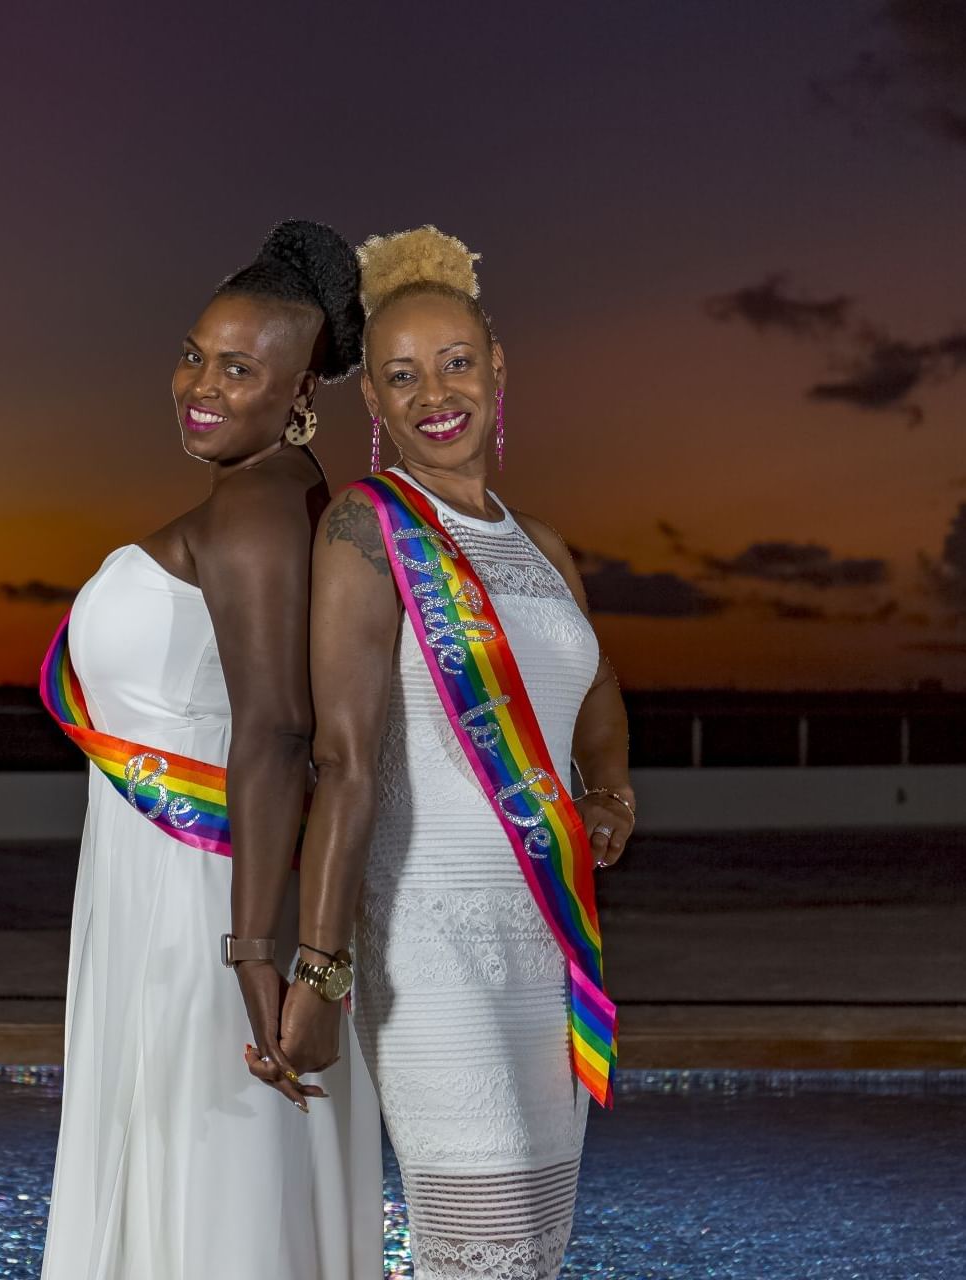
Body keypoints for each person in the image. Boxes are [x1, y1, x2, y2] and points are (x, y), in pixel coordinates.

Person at [278, 226, 635, 1280]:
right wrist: (319, 967)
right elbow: (340, 764)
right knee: (476, 1250)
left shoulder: (545, 545)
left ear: (498, 368)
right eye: (402, 374)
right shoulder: (365, 527)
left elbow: (599, 684)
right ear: (375, 406)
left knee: (536, 1246)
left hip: (546, 936)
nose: (436, 390)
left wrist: (610, 786)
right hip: (426, 944)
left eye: (456, 361)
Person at [38, 221, 383, 1279]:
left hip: (205, 906)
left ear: (297, 392)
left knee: (214, 1168)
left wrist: (255, 956)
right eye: (195, 352)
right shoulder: (278, 492)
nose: (200, 384)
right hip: (191, 888)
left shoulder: (257, 505)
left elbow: (279, 730)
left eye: (241, 368)